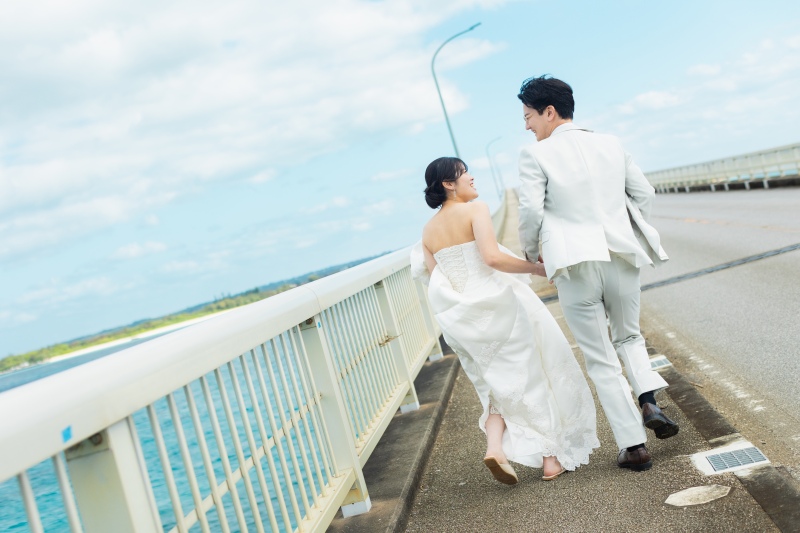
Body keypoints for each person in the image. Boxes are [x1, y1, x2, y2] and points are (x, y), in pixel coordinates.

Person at [516, 75, 678, 472]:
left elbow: (533, 211)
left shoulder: (535, 155)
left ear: (549, 112)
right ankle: (648, 399)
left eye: (529, 116)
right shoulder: (611, 143)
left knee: (601, 357)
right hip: (621, 255)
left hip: (574, 265)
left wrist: (533, 252)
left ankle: (634, 447)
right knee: (630, 335)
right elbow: (644, 194)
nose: (527, 126)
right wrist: (627, 229)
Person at [410, 156, 599, 484]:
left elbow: (438, 278)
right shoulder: (475, 210)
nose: (472, 177)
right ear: (448, 184)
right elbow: (492, 258)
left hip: (465, 318)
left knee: (495, 385)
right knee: (531, 375)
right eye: (464, 173)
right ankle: (551, 460)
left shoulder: (427, 231)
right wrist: (537, 269)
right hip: (500, 307)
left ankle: (495, 447)